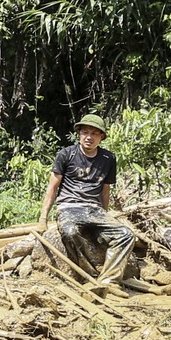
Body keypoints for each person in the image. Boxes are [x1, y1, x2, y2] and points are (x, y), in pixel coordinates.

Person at [38, 113, 134, 285]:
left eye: (94, 133)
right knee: (70, 232)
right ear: (79, 134)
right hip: (69, 207)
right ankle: (90, 275)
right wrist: (43, 218)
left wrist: (105, 217)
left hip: (94, 209)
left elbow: (105, 191)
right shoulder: (66, 154)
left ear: (102, 137)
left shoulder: (108, 158)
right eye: (85, 132)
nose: (89, 137)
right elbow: (52, 188)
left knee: (126, 235)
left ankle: (109, 281)